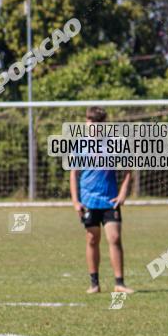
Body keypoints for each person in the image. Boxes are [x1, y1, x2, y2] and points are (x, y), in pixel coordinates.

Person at [69, 106, 134, 294]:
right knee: (92, 239)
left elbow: (129, 170)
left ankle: (119, 283)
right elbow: (74, 174)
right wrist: (75, 201)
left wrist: (122, 194)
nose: (93, 125)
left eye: (97, 122)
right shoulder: (79, 145)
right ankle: (94, 283)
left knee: (114, 237)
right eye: (90, 121)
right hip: (88, 201)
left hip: (110, 200)